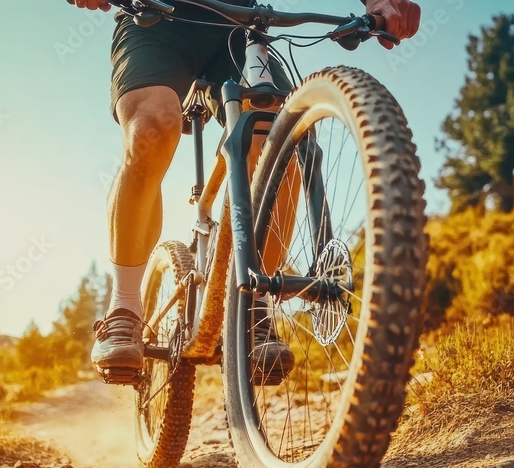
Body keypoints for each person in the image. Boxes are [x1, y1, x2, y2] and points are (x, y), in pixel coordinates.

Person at [66, 0, 422, 378]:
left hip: (239, 26)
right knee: (151, 126)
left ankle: (253, 306)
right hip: (153, 17)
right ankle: (124, 307)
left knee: (279, 138)